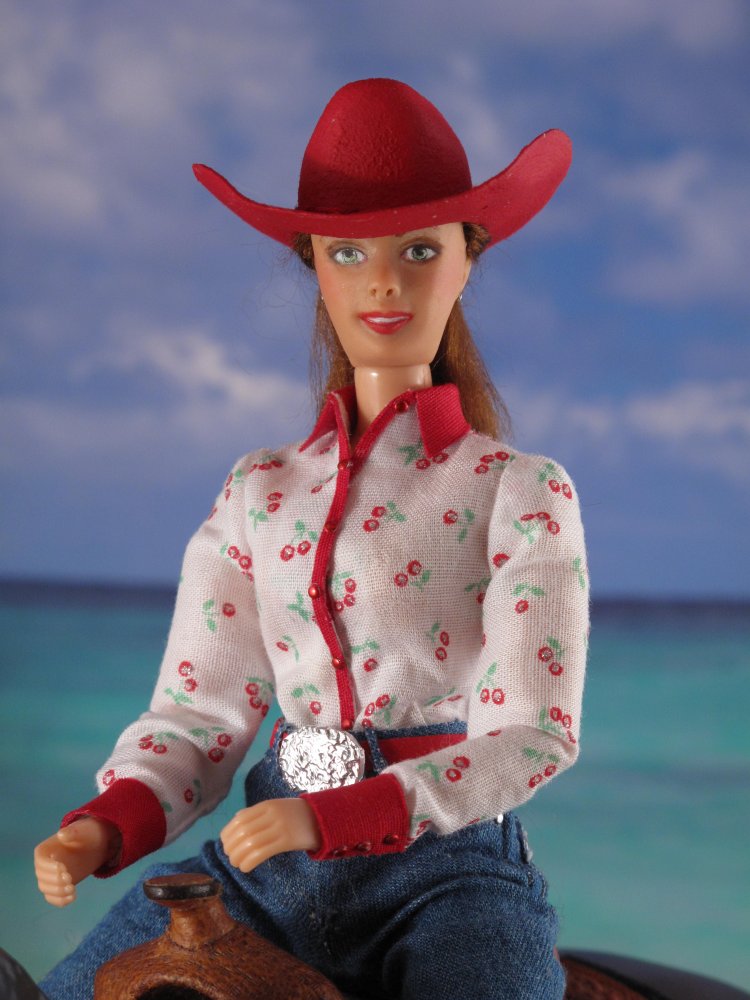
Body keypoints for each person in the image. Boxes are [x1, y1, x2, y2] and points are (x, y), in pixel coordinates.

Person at [35, 78, 588, 1000]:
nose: (383, 281)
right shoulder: (260, 492)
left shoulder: (519, 491)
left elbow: (534, 733)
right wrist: (108, 821)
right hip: (263, 871)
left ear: (466, 261)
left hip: (447, 872)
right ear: (316, 269)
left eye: (420, 250)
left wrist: (343, 817)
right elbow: (200, 712)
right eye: (347, 253)